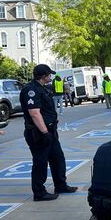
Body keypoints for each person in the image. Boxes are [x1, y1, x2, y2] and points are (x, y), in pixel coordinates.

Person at [20, 64, 78, 201]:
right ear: (43, 76)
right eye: (48, 75)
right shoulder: (31, 90)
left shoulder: (42, 88)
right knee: (40, 162)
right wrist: (45, 132)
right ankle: (39, 192)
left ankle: (60, 185)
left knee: (57, 158)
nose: (50, 77)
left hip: (50, 130)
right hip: (39, 132)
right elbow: (34, 113)